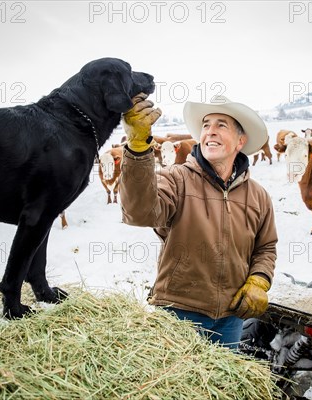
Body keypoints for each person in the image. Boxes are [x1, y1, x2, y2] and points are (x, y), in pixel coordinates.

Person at [119, 94, 277, 349]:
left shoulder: (258, 195)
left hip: (231, 317)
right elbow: (139, 213)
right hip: (179, 312)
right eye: (206, 125)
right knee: (174, 386)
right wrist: (138, 149)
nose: (210, 132)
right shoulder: (176, 179)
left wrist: (259, 280)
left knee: (221, 387)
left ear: (240, 141)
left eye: (221, 125)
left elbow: (266, 247)